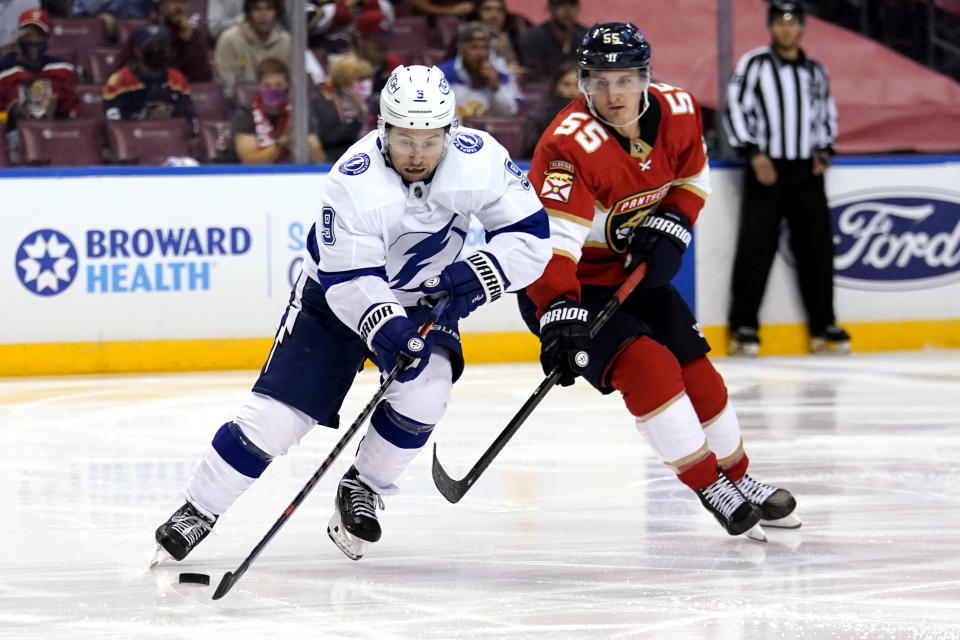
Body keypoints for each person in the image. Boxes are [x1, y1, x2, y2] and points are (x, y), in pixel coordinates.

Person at [153, 64, 551, 563]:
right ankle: (198, 509)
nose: (416, 153)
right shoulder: (354, 180)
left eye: (429, 140)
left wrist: (470, 277)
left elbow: (531, 238)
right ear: (383, 128)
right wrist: (388, 329)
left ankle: (364, 486)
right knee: (277, 418)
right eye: (404, 138)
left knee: (427, 390)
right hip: (334, 299)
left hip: (424, 296)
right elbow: (351, 282)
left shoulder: (481, 161)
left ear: (451, 132)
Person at [519, 22, 800, 541]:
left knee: (698, 372)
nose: (612, 94)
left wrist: (674, 220)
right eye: (598, 82)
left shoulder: (680, 111)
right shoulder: (567, 147)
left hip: (635, 275)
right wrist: (558, 312)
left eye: (624, 79)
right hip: (570, 290)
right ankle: (707, 483)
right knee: (650, 367)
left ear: (645, 78)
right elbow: (551, 246)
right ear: (582, 83)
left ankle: (740, 477)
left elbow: (693, 175)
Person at [723, 1, 849, 356]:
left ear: (803, 27)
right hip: (767, 166)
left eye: (793, 23)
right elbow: (735, 108)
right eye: (780, 22)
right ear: (771, 26)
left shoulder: (815, 71)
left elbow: (827, 113)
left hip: (807, 169)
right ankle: (744, 325)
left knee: (817, 249)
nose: (786, 29)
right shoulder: (754, 64)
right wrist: (752, 152)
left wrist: (824, 151)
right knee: (755, 246)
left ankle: (823, 324)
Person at [0, 7, 78, 154]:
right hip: (12, 136)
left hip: (56, 133)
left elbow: (72, 108)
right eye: (29, 35)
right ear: (19, 36)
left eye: (39, 35)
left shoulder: (62, 67)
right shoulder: (4, 67)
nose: (34, 41)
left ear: (48, 37)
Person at [103, 24, 197, 135]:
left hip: (171, 140)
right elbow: (115, 126)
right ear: (136, 50)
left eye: (161, 47)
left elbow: (189, 119)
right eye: (150, 47)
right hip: (134, 141)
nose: (156, 51)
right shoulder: (119, 81)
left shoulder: (177, 79)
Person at [231, 57, 325, 163]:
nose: (273, 90)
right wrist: (284, 140)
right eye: (267, 86)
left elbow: (319, 158)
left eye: (279, 85)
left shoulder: (298, 113)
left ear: (288, 86)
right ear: (258, 86)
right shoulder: (245, 115)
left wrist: (299, 139)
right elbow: (250, 161)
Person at [112, 0, 214, 82]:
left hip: (182, 94)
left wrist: (188, 40)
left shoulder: (194, 36)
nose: (179, 7)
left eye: (183, 2)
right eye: (173, 2)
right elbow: (120, 71)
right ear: (161, 6)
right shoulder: (144, 33)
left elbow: (203, 76)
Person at [437, 21, 519, 119]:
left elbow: (509, 112)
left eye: (485, 48)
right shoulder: (441, 75)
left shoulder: (500, 75)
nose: (480, 54)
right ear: (461, 48)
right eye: (474, 48)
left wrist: (496, 86)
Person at [214, 0, 291, 99]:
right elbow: (227, 87)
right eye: (257, 9)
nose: (263, 15)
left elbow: (296, 83)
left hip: (281, 104)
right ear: (248, 13)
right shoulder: (229, 40)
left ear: (276, 12)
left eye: (269, 9)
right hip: (240, 107)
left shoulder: (287, 41)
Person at [311, 53, 373, 159]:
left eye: (368, 78)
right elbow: (323, 141)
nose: (366, 83)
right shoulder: (323, 105)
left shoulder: (375, 103)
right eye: (360, 79)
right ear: (344, 81)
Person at [515, 0, 586, 79]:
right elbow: (532, 74)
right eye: (560, 5)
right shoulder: (532, 38)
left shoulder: (587, 37)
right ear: (550, 8)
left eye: (572, 4)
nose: (568, 11)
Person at [521, 60, 577, 157]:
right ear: (556, 86)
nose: (572, 91)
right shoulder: (539, 117)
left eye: (577, 85)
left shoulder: (596, 116)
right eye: (566, 84)